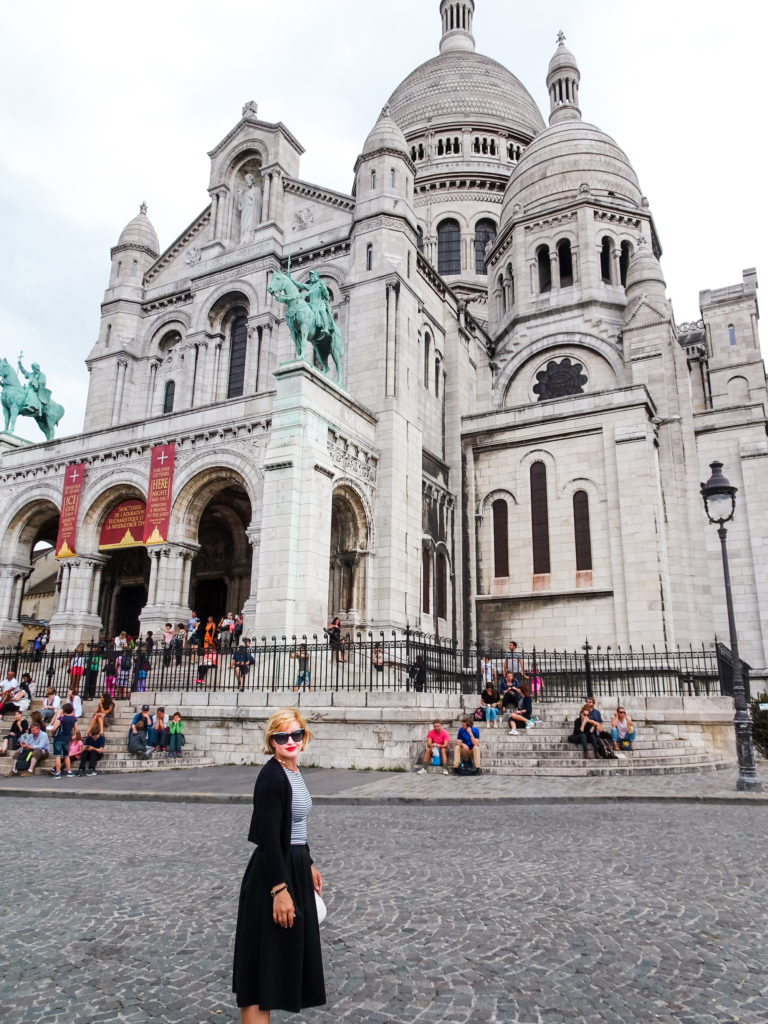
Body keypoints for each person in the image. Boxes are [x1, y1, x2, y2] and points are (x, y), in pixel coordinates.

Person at [232, 706, 326, 1019]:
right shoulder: (271, 778)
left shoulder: (294, 771)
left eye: (296, 734)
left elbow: (295, 825)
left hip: (294, 866)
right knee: (262, 975)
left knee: (277, 967)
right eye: (281, 736)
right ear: (271, 741)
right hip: (274, 876)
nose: (290, 741)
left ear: (304, 736)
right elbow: (269, 838)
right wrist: (279, 889)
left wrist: (308, 861)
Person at [48, 701, 78, 778]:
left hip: (59, 737)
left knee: (57, 755)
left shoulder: (61, 718)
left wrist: (53, 734)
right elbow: (76, 730)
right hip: (67, 738)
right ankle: (69, 771)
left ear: (64, 710)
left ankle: (57, 773)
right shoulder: (74, 719)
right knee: (66, 755)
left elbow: (54, 728)